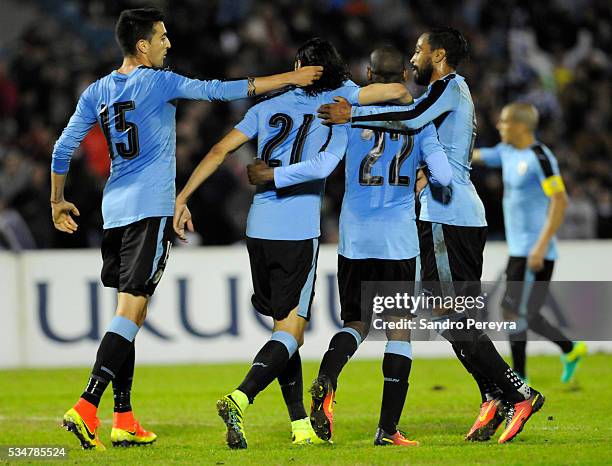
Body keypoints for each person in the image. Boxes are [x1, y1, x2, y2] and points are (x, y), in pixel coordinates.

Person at [50, 7, 324, 451]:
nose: (168, 44)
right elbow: (222, 90)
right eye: (162, 37)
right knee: (131, 313)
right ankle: (86, 406)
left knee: (127, 313)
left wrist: (57, 200)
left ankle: (124, 418)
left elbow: (63, 148)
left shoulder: (96, 91)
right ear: (143, 46)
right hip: (148, 209)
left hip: (114, 212)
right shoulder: (160, 82)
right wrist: (287, 80)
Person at [173, 38, 409, 449]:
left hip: (257, 227)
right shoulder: (341, 98)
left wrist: (182, 196)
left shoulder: (265, 108)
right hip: (297, 231)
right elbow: (394, 94)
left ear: (300, 66)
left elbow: (218, 149)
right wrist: (352, 99)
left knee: (285, 332)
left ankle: (300, 424)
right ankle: (240, 397)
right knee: (290, 333)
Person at [317, 27, 545, 444]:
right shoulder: (444, 93)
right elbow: (413, 118)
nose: (414, 56)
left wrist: (354, 115)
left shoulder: (448, 87)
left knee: (449, 316)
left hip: (448, 215)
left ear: (438, 55)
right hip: (449, 214)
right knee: (456, 317)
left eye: (419, 50)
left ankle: (518, 392)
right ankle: (494, 395)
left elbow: (411, 118)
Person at [247, 46, 452, 446]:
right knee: (398, 334)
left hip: (355, 238)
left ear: (368, 72)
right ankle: (387, 430)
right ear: (405, 77)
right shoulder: (420, 122)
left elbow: (323, 166)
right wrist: (424, 170)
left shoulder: (346, 112)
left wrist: (275, 175)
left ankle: (328, 378)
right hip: (397, 240)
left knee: (355, 324)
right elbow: (443, 175)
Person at [473, 102, 587, 383]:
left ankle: (520, 378)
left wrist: (540, 246)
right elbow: (475, 156)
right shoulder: (507, 153)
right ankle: (570, 349)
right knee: (528, 315)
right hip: (520, 250)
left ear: (521, 126)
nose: (499, 126)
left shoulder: (540, 157)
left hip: (534, 251)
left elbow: (560, 201)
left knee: (512, 311)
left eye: (504, 122)